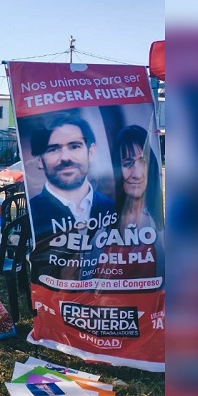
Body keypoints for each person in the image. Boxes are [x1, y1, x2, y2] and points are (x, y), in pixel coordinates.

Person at [27, 113, 114, 279]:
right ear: (39, 160)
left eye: (75, 146)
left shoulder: (114, 209)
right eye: (53, 149)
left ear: (91, 151)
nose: (65, 158)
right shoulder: (31, 215)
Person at [100, 124, 165, 280]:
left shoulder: (165, 228)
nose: (137, 174)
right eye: (127, 163)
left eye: (143, 162)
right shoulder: (100, 227)